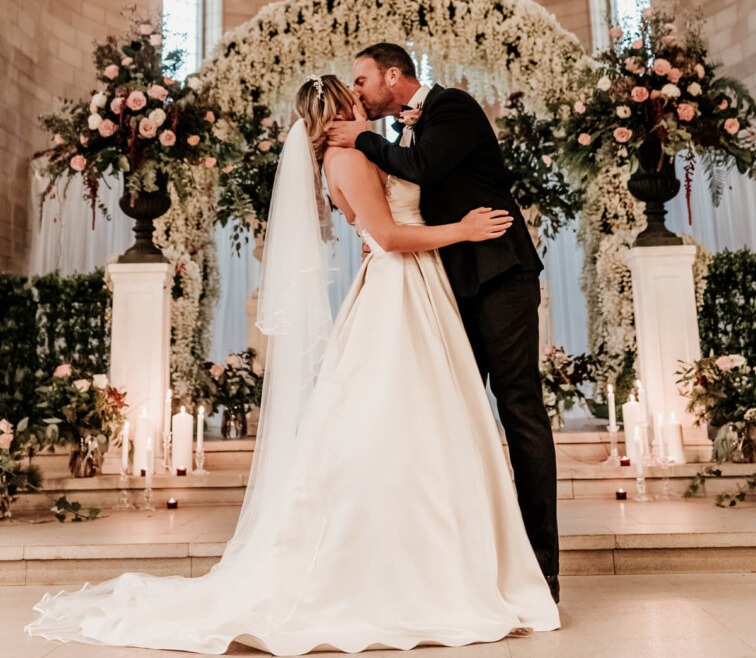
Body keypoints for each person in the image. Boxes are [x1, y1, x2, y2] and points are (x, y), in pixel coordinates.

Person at [26, 74, 559, 654]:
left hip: (414, 287)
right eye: (354, 92)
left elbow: (391, 205)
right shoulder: (349, 153)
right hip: (399, 290)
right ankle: (413, 566)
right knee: (404, 422)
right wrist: (462, 229)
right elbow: (384, 232)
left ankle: (451, 556)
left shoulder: (357, 151)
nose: (363, 98)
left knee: (418, 422)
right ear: (340, 108)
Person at [327, 43, 560, 601]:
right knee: (453, 421)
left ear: (392, 74)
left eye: (362, 80)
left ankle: (541, 566)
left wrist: (361, 137)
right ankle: (468, 566)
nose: (356, 91)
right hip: (442, 286)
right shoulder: (405, 130)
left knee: (519, 408)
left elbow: (424, 168)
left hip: (498, 275)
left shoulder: (452, 105)